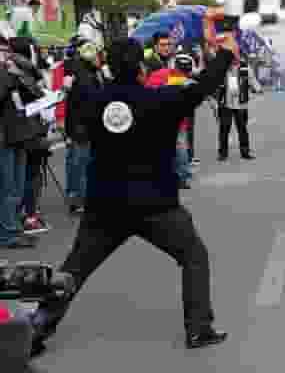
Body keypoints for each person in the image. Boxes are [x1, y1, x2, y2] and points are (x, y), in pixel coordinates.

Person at [28, 36, 235, 357]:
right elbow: (203, 87)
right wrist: (223, 54)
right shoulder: (160, 99)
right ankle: (198, 328)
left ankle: (36, 327)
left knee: (73, 269)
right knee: (193, 256)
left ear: (108, 66)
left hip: (104, 206)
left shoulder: (94, 100)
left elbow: (77, 116)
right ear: (141, 66)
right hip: (156, 204)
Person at [1, 37, 47, 250]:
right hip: (4, 138)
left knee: (17, 187)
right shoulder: (5, 75)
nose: (5, 54)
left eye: (6, 50)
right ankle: (7, 234)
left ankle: (14, 228)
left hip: (19, 135)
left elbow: (35, 92)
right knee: (8, 188)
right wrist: (9, 76)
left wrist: (21, 73)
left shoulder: (12, 71)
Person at [64, 41, 104, 214]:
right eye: (97, 55)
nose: (100, 59)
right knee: (83, 164)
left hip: (77, 125)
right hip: (84, 126)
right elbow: (92, 102)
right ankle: (82, 200)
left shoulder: (79, 71)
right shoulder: (86, 77)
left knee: (76, 163)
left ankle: (76, 197)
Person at [147, 54, 197, 190]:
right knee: (179, 148)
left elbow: (147, 92)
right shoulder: (188, 81)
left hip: (161, 119)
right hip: (173, 120)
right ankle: (181, 177)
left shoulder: (159, 74)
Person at [216, 51, 261, 161]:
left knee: (242, 129)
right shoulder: (222, 66)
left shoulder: (245, 67)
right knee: (224, 129)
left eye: (236, 55)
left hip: (241, 103)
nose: (234, 58)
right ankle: (223, 153)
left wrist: (258, 88)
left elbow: (252, 80)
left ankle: (245, 152)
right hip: (225, 102)